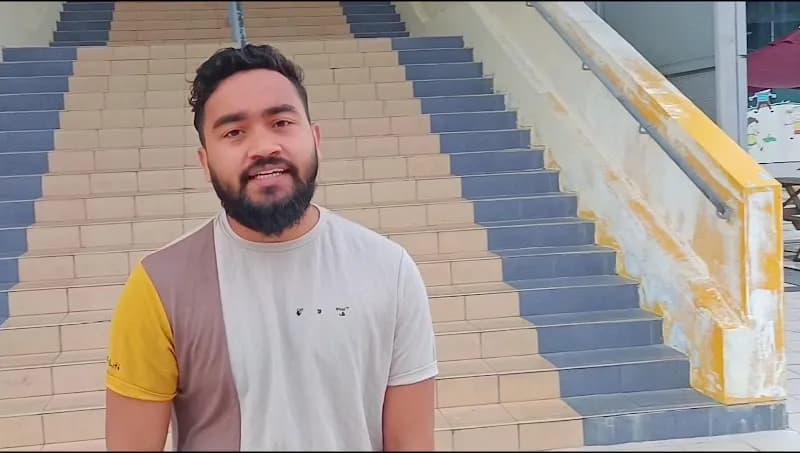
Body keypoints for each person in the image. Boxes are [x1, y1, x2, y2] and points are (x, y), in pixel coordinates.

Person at [104, 44, 438, 451]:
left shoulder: (390, 270)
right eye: (234, 132)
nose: (263, 147)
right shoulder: (158, 286)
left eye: (281, 122)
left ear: (315, 138)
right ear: (205, 161)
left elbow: (412, 442)